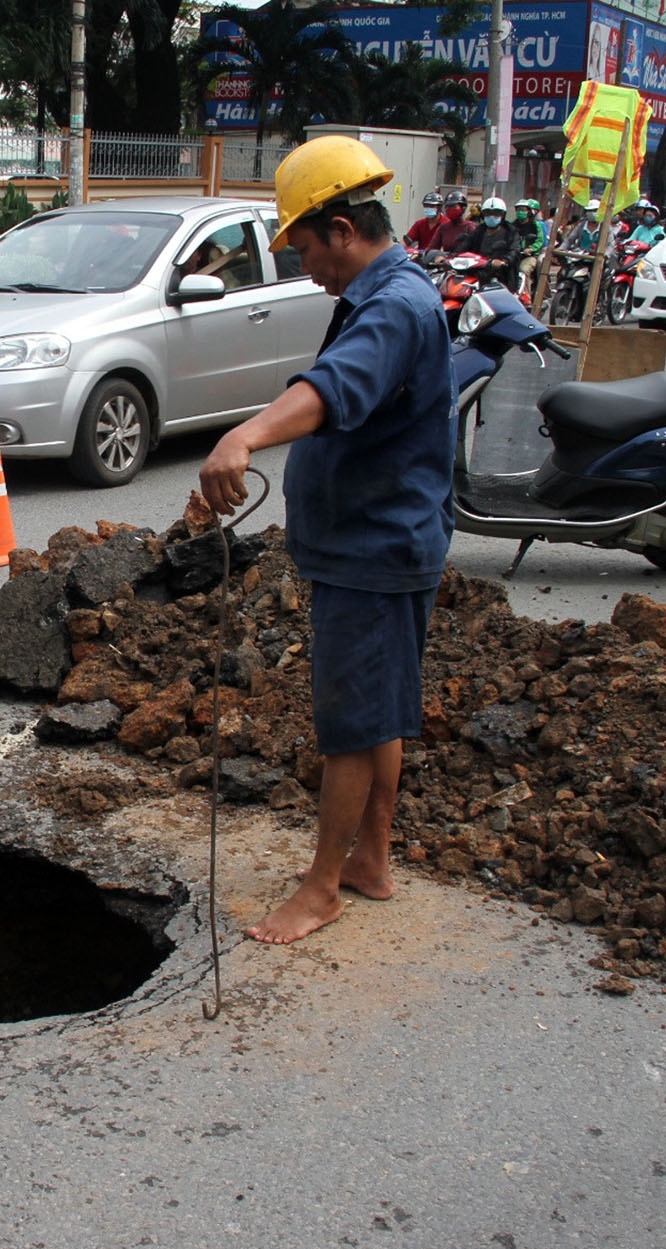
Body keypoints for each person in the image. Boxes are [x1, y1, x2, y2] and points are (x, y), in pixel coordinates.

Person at [197, 135, 454, 946]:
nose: (306, 268)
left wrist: (244, 437)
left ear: (342, 228)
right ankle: (369, 860)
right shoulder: (386, 294)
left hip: (374, 550)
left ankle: (320, 889)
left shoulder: (395, 306)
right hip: (382, 542)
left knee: (349, 722)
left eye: (306, 248)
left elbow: (333, 389)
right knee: (379, 714)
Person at [467, 196, 521, 290]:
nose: (491, 216)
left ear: (503, 215)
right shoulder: (479, 230)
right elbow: (466, 244)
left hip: (501, 273)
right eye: (488, 213)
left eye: (496, 213)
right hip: (479, 270)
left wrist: (504, 260)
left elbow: (514, 250)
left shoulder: (511, 231)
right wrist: (451, 257)